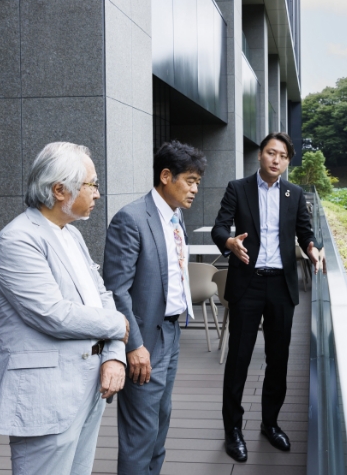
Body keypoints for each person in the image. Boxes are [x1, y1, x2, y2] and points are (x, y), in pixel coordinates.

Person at [0, 142, 130, 475]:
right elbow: (52, 314)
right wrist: (119, 324)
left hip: (89, 385)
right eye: (92, 184)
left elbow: (102, 297)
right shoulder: (17, 240)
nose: (98, 193)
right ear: (60, 190)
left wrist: (113, 355)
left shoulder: (72, 235)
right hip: (47, 395)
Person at [212, 132, 325, 462]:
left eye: (283, 156)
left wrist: (313, 249)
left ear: (288, 161)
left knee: (278, 360)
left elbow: (306, 233)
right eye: (270, 153)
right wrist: (230, 243)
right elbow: (220, 228)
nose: (276, 159)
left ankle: (270, 424)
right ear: (260, 155)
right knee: (239, 360)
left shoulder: (295, 193)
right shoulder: (238, 188)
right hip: (247, 284)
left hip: (281, 286)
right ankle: (233, 429)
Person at [103, 140, 206, 475]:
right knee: (140, 432)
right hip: (144, 338)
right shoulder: (130, 219)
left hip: (172, 333)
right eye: (189, 181)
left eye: (197, 183)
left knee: (160, 424)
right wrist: (133, 346)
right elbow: (116, 291)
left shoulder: (176, 219)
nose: (194, 189)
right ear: (166, 176)